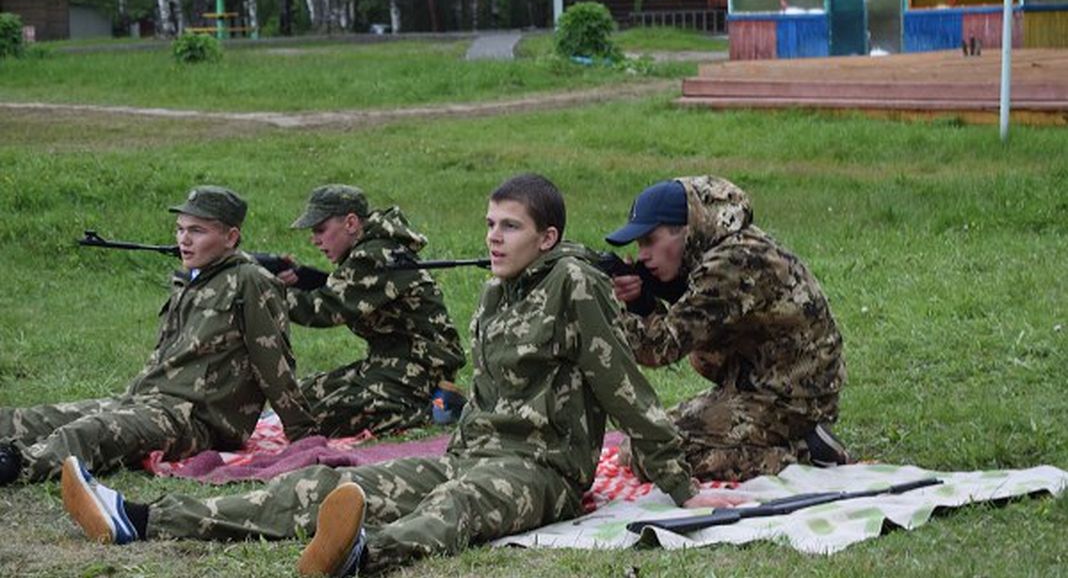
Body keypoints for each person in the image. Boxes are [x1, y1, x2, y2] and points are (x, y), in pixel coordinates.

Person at [60, 174, 739, 575]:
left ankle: (358, 555)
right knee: (324, 483)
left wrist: (683, 489)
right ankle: (140, 518)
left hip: (541, 471)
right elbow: (487, 394)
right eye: (489, 224)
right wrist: (457, 446)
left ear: (549, 237)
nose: (493, 238)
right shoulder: (500, 291)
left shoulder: (575, 287)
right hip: (470, 451)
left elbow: (625, 390)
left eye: (510, 226)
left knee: (458, 508)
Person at [0, 186, 318, 486]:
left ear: (231, 236)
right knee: (34, 418)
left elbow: (273, 364)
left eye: (197, 231)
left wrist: (303, 434)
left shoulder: (251, 282)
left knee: (90, 432)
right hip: (148, 401)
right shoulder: (193, 279)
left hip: (197, 420)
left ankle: (16, 465)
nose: (184, 240)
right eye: (180, 229)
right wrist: (131, 400)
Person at [605, 176, 849, 482]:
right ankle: (794, 438)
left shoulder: (728, 263)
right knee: (637, 444)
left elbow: (660, 349)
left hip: (793, 398)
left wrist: (621, 306)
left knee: (657, 459)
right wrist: (644, 297)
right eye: (640, 244)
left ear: (686, 229)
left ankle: (801, 450)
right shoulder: (721, 247)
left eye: (650, 241)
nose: (642, 255)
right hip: (759, 384)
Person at [281, 184, 466, 436]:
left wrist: (269, 294)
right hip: (387, 360)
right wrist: (298, 281)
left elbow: (324, 309)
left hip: (419, 367)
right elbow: (339, 287)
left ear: (350, 223)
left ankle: (428, 408)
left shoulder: (376, 254)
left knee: (316, 419)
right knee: (298, 399)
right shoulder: (370, 249)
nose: (315, 240)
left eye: (321, 230)